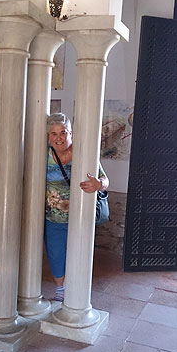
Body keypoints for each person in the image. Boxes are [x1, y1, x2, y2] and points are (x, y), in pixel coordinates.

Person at [45, 113, 109, 300]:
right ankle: (60, 291)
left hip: (80, 216)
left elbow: (105, 179)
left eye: (63, 133)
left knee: (79, 254)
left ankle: (77, 289)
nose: (59, 138)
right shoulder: (44, 155)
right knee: (56, 253)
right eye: (54, 134)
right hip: (53, 216)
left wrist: (99, 185)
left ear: (71, 134)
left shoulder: (84, 153)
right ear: (48, 137)